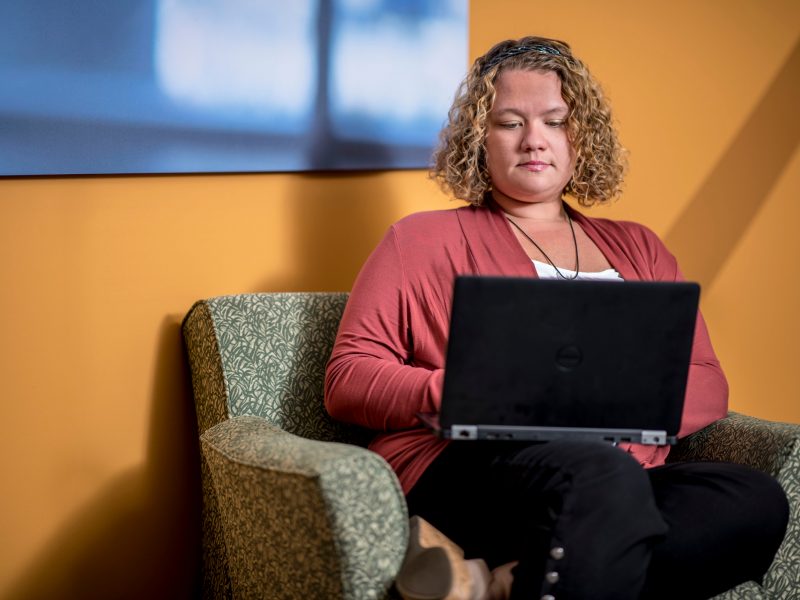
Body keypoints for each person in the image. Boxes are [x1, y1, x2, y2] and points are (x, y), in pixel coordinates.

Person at [324, 36, 789, 600]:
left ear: (580, 135)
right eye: (509, 122)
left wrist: (621, 426)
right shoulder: (421, 240)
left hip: (613, 474)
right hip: (468, 468)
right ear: (479, 140)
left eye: (555, 120)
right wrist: (452, 389)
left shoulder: (638, 247)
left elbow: (706, 379)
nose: (534, 140)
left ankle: (497, 580)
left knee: (753, 499)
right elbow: (347, 378)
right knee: (601, 479)